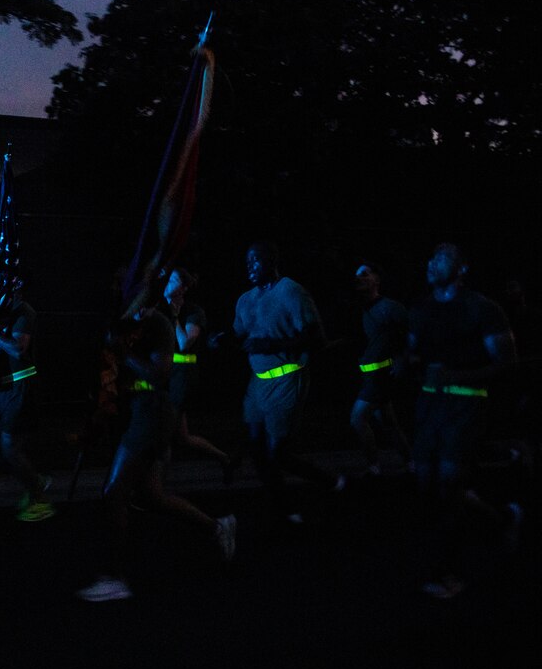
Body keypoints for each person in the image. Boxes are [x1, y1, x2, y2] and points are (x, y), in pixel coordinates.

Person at [77, 282, 237, 603]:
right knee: (151, 496)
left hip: (152, 413)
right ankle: (218, 527)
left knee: (115, 492)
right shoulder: (127, 323)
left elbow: (159, 374)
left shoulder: (157, 323)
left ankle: (117, 578)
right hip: (138, 412)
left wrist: (125, 355)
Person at [407, 243, 521, 599]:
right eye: (430, 256)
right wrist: (405, 365)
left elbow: (507, 364)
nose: (430, 262)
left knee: (449, 484)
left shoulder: (482, 309)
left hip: (466, 406)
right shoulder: (421, 309)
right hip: (430, 405)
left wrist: (459, 376)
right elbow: (413, 354)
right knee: (427, 481)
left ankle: (450, 573)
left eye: (439, 257)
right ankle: (502, 517)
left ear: (461, 268)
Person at [213, 241, 345, 525]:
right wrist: (222, 338)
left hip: (287, 377)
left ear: (272, 262)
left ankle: (331, 482)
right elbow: (239, 333)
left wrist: (270, 343)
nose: (250, 267)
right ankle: (285, 508)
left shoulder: (290, 291)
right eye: (247, 262)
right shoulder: (246, 299)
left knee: (279, 453)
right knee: (257, 447)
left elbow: (316, 339)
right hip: (257, 382)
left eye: (256, 261)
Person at [0, 266, 55, 521]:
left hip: (19, 387)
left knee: (10, 449)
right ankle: (33, 479)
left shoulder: (24, 313)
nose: (2, 286)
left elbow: (18, 350)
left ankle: (40, 498)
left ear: (18, 287)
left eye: (8, 283)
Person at [160, 267, 235, 481]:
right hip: (167, 375)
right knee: (182, 437)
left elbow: (184, 344)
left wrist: (175, 317)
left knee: (164, 434)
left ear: (183, 287)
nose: (168, 282)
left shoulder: (193, 311)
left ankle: (156, 486)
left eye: (173, 279)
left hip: (183, 376)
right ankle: (225, 458)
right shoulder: (161, 308)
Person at [349, 260, 412, 476]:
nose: (359, 278)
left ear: (377, 279)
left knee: (357, 418)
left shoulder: (391, 308)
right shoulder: (363, 309)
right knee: (388, 421)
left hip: (381, 375)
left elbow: (411, 335)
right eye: (357, 275)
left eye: (365, 274)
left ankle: (373, 466)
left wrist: (402, 358)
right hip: (371, 375)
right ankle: (411, 461)